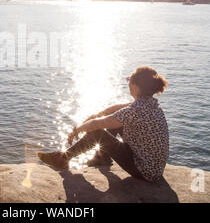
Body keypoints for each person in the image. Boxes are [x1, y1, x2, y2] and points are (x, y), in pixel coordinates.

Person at [38, 66, 169, 182]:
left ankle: (64, 158)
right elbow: (115, 109)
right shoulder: (151, 105)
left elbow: (96, 125)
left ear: (134, 86)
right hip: (154, 168)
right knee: (115, 123)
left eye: (129, 81)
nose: (128, 84)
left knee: (97, 133)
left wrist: (76, 131)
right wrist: (93, 116)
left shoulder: (133, 111)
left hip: (144, 171)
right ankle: (102, 158)